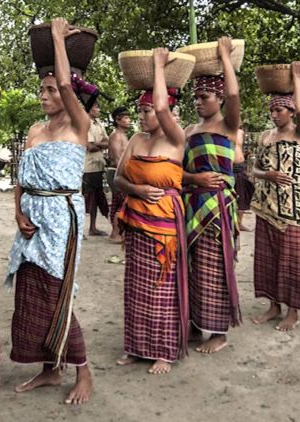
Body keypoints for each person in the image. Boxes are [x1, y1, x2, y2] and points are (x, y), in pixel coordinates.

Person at [5, 18, 93, 405]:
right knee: (31, 292)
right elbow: (21, 178)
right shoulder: (34, 131)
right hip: (31, 220)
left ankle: (83, 371)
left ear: (68, 93)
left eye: (50, 89)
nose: (43, 94)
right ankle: (49, 367)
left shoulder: (79, 123)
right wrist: (17, 213)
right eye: (40, 89)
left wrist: (57, 39)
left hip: (62, 219)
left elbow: (65, 82)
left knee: (57, 294)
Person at [114, 48, 188, 375]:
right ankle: (135, 346)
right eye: (140, 111)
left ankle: (163, 351)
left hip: (165, 226)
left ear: (167, 112)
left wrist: (158, 66)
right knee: (136, 286)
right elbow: (117, 178)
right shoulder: (135, 140)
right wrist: (137, 189)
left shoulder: (176, 138)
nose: (143, 116)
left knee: (162, 286)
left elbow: (161, 104)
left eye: (148, 111)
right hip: (136, 221)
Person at [182, 37, 241, 353]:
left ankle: (218, 332)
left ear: (218, 98)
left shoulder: (228, 126)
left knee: (215, 268)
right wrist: (194, 177)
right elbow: (174, 172)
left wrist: (224, 57)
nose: (198, 101)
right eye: (195, 96)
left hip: (218, 210)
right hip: (192, 207)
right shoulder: (189, 131)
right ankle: (194, 324)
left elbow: (234, 92)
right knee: (191, 269)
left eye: (204, 96)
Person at [250, 61, 300, 330]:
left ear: (291, 111)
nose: (274, 114)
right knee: (268, 257)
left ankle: (293, 312)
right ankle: (273, 306)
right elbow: (254, 169)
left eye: (279, 109)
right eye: (272, 109)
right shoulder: (265, 136)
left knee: (292, 259)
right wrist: (267, 175)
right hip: (265, 205)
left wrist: (296, 76)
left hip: (290, 209)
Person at [83, 100, 110, 236]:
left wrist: (97, 144)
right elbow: (90, 147)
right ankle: (79, 228)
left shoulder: (99, 124)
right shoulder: (85, 123)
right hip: (88, 167)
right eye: (96, 107)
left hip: (98, 166)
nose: (98, 110)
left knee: (96, 198)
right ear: (90, 108)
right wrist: (100, 145)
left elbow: (107, 142)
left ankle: (92, 227)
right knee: (86, 198)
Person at [107, 106, 131, 243]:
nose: (129, 120)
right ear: (117, 120)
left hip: (121, 173)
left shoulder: (123, 135)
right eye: (126, 118)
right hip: (116, 172)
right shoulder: (116, 135)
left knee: (122, 203)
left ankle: (118, 232)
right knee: (121, 204)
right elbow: (117, 159)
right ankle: (115, 233)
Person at [234, 125, 255, 231]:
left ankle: (239, 222)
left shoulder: (240, 132)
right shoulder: (221, 130)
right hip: (228, 168)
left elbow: (238, 148)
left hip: (240, 168)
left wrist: (244, 155)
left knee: (242, 196)